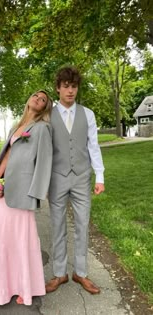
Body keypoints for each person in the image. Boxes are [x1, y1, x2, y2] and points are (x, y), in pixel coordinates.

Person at [0, 90, 53, 306]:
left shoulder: (43, 128)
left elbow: (44, 162)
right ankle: (3, 287)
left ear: (44, 108)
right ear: (29, 99)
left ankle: (27, 288)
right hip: (6, 191)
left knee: (22, 240)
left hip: (24, 193)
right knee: (3, 239)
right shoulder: (15, 127)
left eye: (43, 99)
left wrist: (35, 194)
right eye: (36, 95)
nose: (38, 99)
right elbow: (7, 155)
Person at [46, 66, 105, 295]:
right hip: (56, 178)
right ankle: (59, 273)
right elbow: (43, 148)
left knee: (82, 225)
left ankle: (81, 272)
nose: (70, 91)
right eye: (66, 86)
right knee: (57, 226)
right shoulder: (48, 114)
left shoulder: (88, 114)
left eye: (74, 86)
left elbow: (93, 146)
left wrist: (99, 176)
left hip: (81, 178)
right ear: (58, 88)